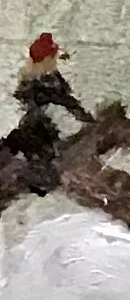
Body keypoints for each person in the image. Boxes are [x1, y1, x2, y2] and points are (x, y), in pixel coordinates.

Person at [3, 33, 93, 194]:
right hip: (40, 128)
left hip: (49, 122)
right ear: (46, 59)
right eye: (53, 57)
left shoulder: (50, 76)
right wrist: (82, 119)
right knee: (49, 162)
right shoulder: (37, 81)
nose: (55, 60)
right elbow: (61, 101)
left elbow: (67, 100)